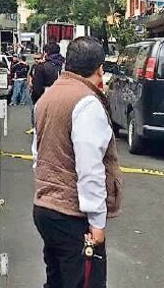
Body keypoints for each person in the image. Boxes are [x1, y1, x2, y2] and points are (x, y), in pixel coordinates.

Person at [32, 36, 122, 288]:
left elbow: (37, 155)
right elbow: (90, 168)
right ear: (100, 69)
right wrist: (97, 221)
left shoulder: (48, 97)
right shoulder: (87, 102)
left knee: (57, 281)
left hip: (45, 208)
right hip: (73, 215)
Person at [32, 44, 64, 127]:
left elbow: (37, 89)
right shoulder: (66, 65)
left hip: (46, 98)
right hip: (64, 99)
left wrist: (35, 99)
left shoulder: (41, 67)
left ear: (46, 53)